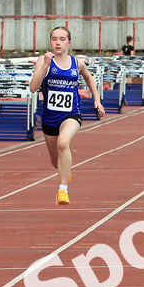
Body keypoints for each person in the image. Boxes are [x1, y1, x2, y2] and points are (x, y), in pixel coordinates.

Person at [29, 26, 105, 205]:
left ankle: (63, 191)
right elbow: (33, 87)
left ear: (69, 42)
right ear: (50, 42)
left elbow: (89, 77)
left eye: (62, 39)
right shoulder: (44, 60)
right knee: (56, 161)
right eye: (54, 39)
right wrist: (46, 65)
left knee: (63, 143)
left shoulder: (76, 63)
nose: (58, 42)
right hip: (49, 118)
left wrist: (97, 99)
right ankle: (64, 170)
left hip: (72, 114)